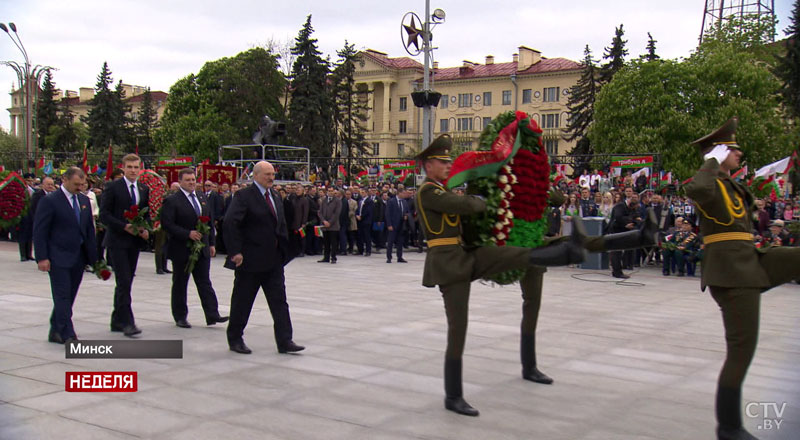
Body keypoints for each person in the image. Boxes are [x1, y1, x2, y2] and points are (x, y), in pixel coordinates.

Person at [415, 134, 589, 417]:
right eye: (441, 162)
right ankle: (453, 396)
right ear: (428, 165)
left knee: (510, 254)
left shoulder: (442, 188)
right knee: (458, 330)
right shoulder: (428, 191)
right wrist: (482, 199)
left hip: (464, 255)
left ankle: (566, 251)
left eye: (449, 162)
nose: (447, 166)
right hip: (447, 264)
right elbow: (466, 206)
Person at [684, 117, 800, 440]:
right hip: (732, 275)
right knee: (741, 350)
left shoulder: (730, 185)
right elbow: (697, 188)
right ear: (718, 154)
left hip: (751, 262)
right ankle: (729, 427)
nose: (739, 154)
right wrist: (710, 160)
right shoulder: (707, 185)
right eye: (732, 150)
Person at [223, 161, 304, 355]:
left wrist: (284, 249)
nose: (271, 177)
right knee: (243, 301)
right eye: (267, 174)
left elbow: (281, 223)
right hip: (250, 260)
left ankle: (285, 340)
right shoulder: (244, 196)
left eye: (272, 174)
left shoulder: (275, 195)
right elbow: (230, 223)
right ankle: (235, 338)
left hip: (273, 261)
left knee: (279, 302)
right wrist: (236, 252)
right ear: (256, 175)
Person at [33, 167, 98, 344]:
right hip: (58, 257)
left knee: (70, 295)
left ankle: (55, 329)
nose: (79, 187)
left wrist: (96, 260)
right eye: (76, 184)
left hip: (78, 258)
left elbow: (88, 232)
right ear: (65, 179)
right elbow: (40, 231)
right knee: (62, 295)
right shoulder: (51, 201)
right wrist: (42, 257)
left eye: (82, 184)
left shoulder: (84, 201)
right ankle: (67, 333)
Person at [160, 168, 228, 328]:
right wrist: (187, 234)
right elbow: (167, 224)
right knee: (180, 283)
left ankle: (212, 314)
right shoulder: (172, 200)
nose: (191, 182)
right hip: (182, 248)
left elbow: (209, 222)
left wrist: (211, 243)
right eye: (188, 180)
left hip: (202, 247)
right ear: (180, 181)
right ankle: (180, 316)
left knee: (204, 281)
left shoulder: (202, 197)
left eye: (193, 179)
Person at [99, 154, 150, 337]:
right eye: (129, 167)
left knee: (126, 282)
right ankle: (128, 322)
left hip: (133, 242)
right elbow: (104, 214)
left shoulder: (143, 188)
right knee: (124, 280)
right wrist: (124, 226)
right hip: (117, 240)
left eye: (136, 167)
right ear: (123, 168)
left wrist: (145, 228)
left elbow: (145, 214)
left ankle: (116, 320)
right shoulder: (113, 187)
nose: (133, 170)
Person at [317, 186, 341, 264]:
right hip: (324, 225)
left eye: (332, 191)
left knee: (333, 242)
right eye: (329, 191)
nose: (330, 192)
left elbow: (337, 213)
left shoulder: (337, 201)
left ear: (334, 192)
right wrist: (323, 220)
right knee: (326, 242)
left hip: (333, 226)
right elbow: (320, 212)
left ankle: (333, 257)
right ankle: (326, 257)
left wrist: (330, 222)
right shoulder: (324, 200)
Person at [385, 188, 409, 263]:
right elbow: (387, 214)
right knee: (390, 241)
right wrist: (389, 224)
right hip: (393, 224)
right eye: (403, 193)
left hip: (401, 225)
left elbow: (407, 211)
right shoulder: (391, 201)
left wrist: (406, 216)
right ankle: (389, 257)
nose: (405, 195)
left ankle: (400, 257)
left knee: (400, 242)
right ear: (399, 193)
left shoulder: (404, 202)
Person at [355, 188, 374, 256]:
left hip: (366, 221)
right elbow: (357, 209)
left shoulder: (369, 201)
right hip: (359, 220)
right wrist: (357, 215)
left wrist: (362, 216)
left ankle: (368, 251)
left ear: (366, 193)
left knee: (367, 236)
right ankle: (360, 250)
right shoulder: (360, 200)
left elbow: (368, 211)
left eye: (363, 192)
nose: (362, 193)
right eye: (361, 192)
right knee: (359, 236)